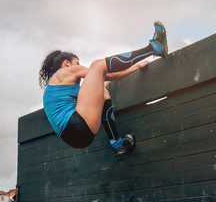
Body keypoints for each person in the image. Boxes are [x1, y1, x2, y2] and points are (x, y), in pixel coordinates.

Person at [40, 21, 168, 156]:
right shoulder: (64, 73)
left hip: (76, 138)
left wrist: (135, 67)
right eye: (77, 63)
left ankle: (117, 143)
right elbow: (108, 72)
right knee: (97, 65)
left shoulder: (56, 90)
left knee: (104, 92)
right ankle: (153, 47)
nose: (79, 66)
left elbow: (103, 84)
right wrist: (134, 66)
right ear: (67, 63)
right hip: (77, 125)